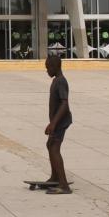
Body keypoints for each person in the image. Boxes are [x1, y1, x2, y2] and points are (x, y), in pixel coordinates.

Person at [42, 55, 72, 194]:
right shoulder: (56, 80)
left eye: (48, 68)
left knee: (54, 148)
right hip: (57, 121)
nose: (47, 70)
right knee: (50, 145)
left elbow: (65, 103)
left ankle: (64, 185)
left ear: (55, 67)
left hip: (61, 121)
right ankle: (55, 176)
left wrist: (53, 123)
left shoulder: (60, 82)